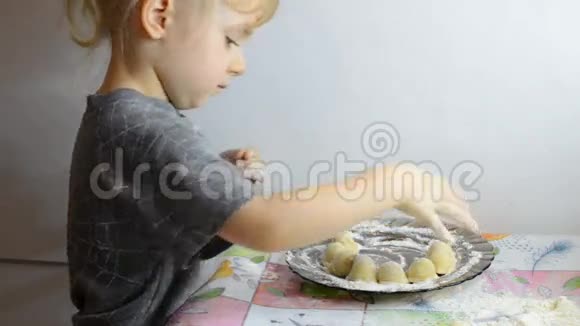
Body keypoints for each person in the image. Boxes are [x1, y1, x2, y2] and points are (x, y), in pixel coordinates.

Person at [65, 0, 479, 325]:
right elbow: (266, 225)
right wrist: (392, 182)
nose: (240, 63)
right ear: (159, 15)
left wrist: (220, 181)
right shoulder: (138, 124)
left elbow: (175, 237)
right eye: (231, 39)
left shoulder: (128, 118)